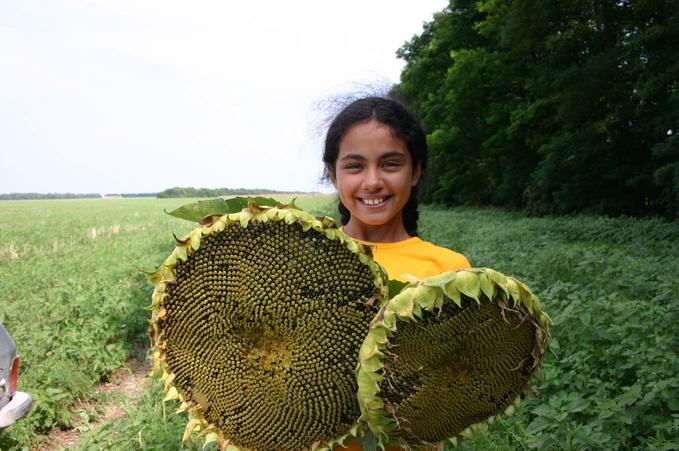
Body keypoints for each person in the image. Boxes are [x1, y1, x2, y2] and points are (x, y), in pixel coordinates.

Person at [322, 96, 471, 450]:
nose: (373, 182)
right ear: (333, 174)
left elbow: (459, 382)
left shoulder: (449, 271)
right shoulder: (302, 258)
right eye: (355, 166)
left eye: (390, 164)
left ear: (416, 171)